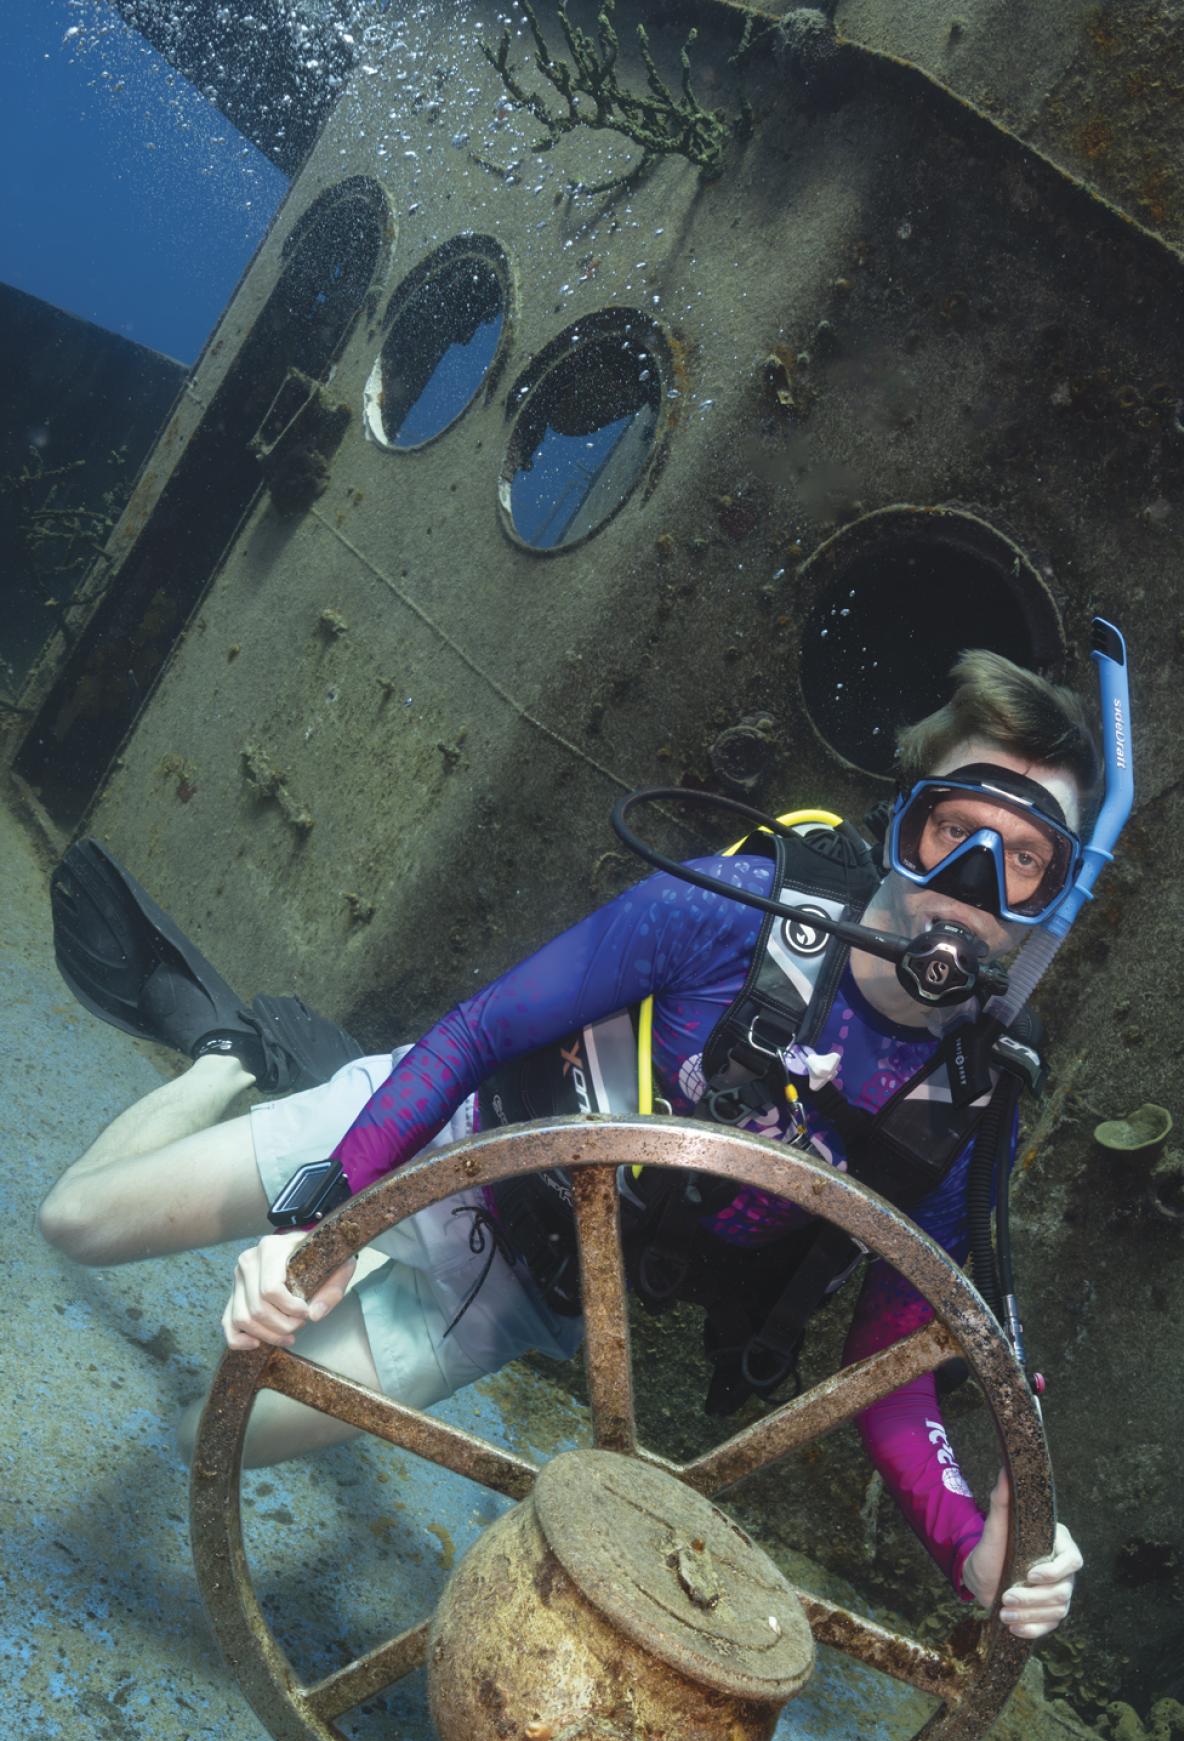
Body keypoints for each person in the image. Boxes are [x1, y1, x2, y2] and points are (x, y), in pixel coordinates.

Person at [41, 649, 1093, 1640]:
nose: (969, 883)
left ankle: (283, 1121)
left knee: (204, 1439)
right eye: (949, 830)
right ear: (898, 820)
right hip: (436, 1134)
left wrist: (975, 1552)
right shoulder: (726, 911)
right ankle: (226, 1058)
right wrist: (315, 1227)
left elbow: (890, 1372)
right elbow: (476, 1031)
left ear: (1050, 909)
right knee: (74, 1223)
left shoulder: (969, 1108)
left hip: (510, 1298)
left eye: (1025, 865)